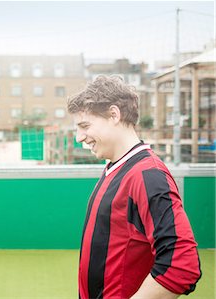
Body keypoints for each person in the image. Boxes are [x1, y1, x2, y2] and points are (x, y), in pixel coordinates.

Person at [67, 75, 201, 299]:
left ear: (114, 115)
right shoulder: (116, 166)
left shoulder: (148, 175)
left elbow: (182, 265)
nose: (80, 137)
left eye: (85, 126)